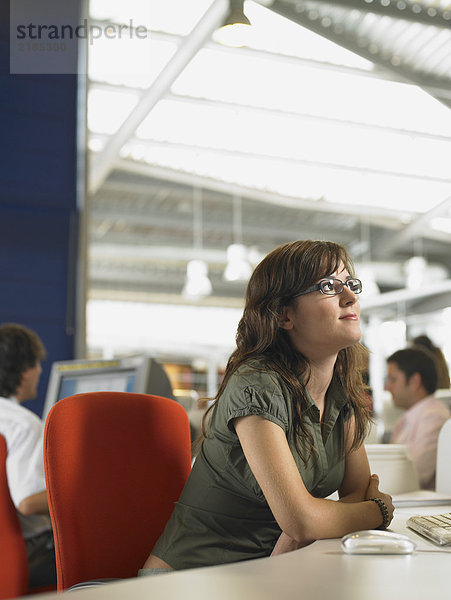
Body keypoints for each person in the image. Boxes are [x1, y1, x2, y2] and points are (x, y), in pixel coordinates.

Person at [141, 240, 394, 574]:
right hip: (191, 581)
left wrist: (318, 519)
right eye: (329, 286)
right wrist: (377, 510)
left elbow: (353, 494)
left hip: (272, 574)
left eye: (350, 284)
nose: (350, 297)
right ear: (285, 315)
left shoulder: (341, 391)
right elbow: (304, 520)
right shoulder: (256, 385)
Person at [0, 323, 56, 590]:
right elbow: (28, 502)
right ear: (23, 371)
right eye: (36, 364)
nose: (40, 371)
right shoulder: (23, 424)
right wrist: (84, 494)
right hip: (30, 555)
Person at [385, 347, 450, 490]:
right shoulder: (410, 417)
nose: (387, 387)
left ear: (414, 381)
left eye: (393, 379)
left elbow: (415, 475)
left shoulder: (434, 417)